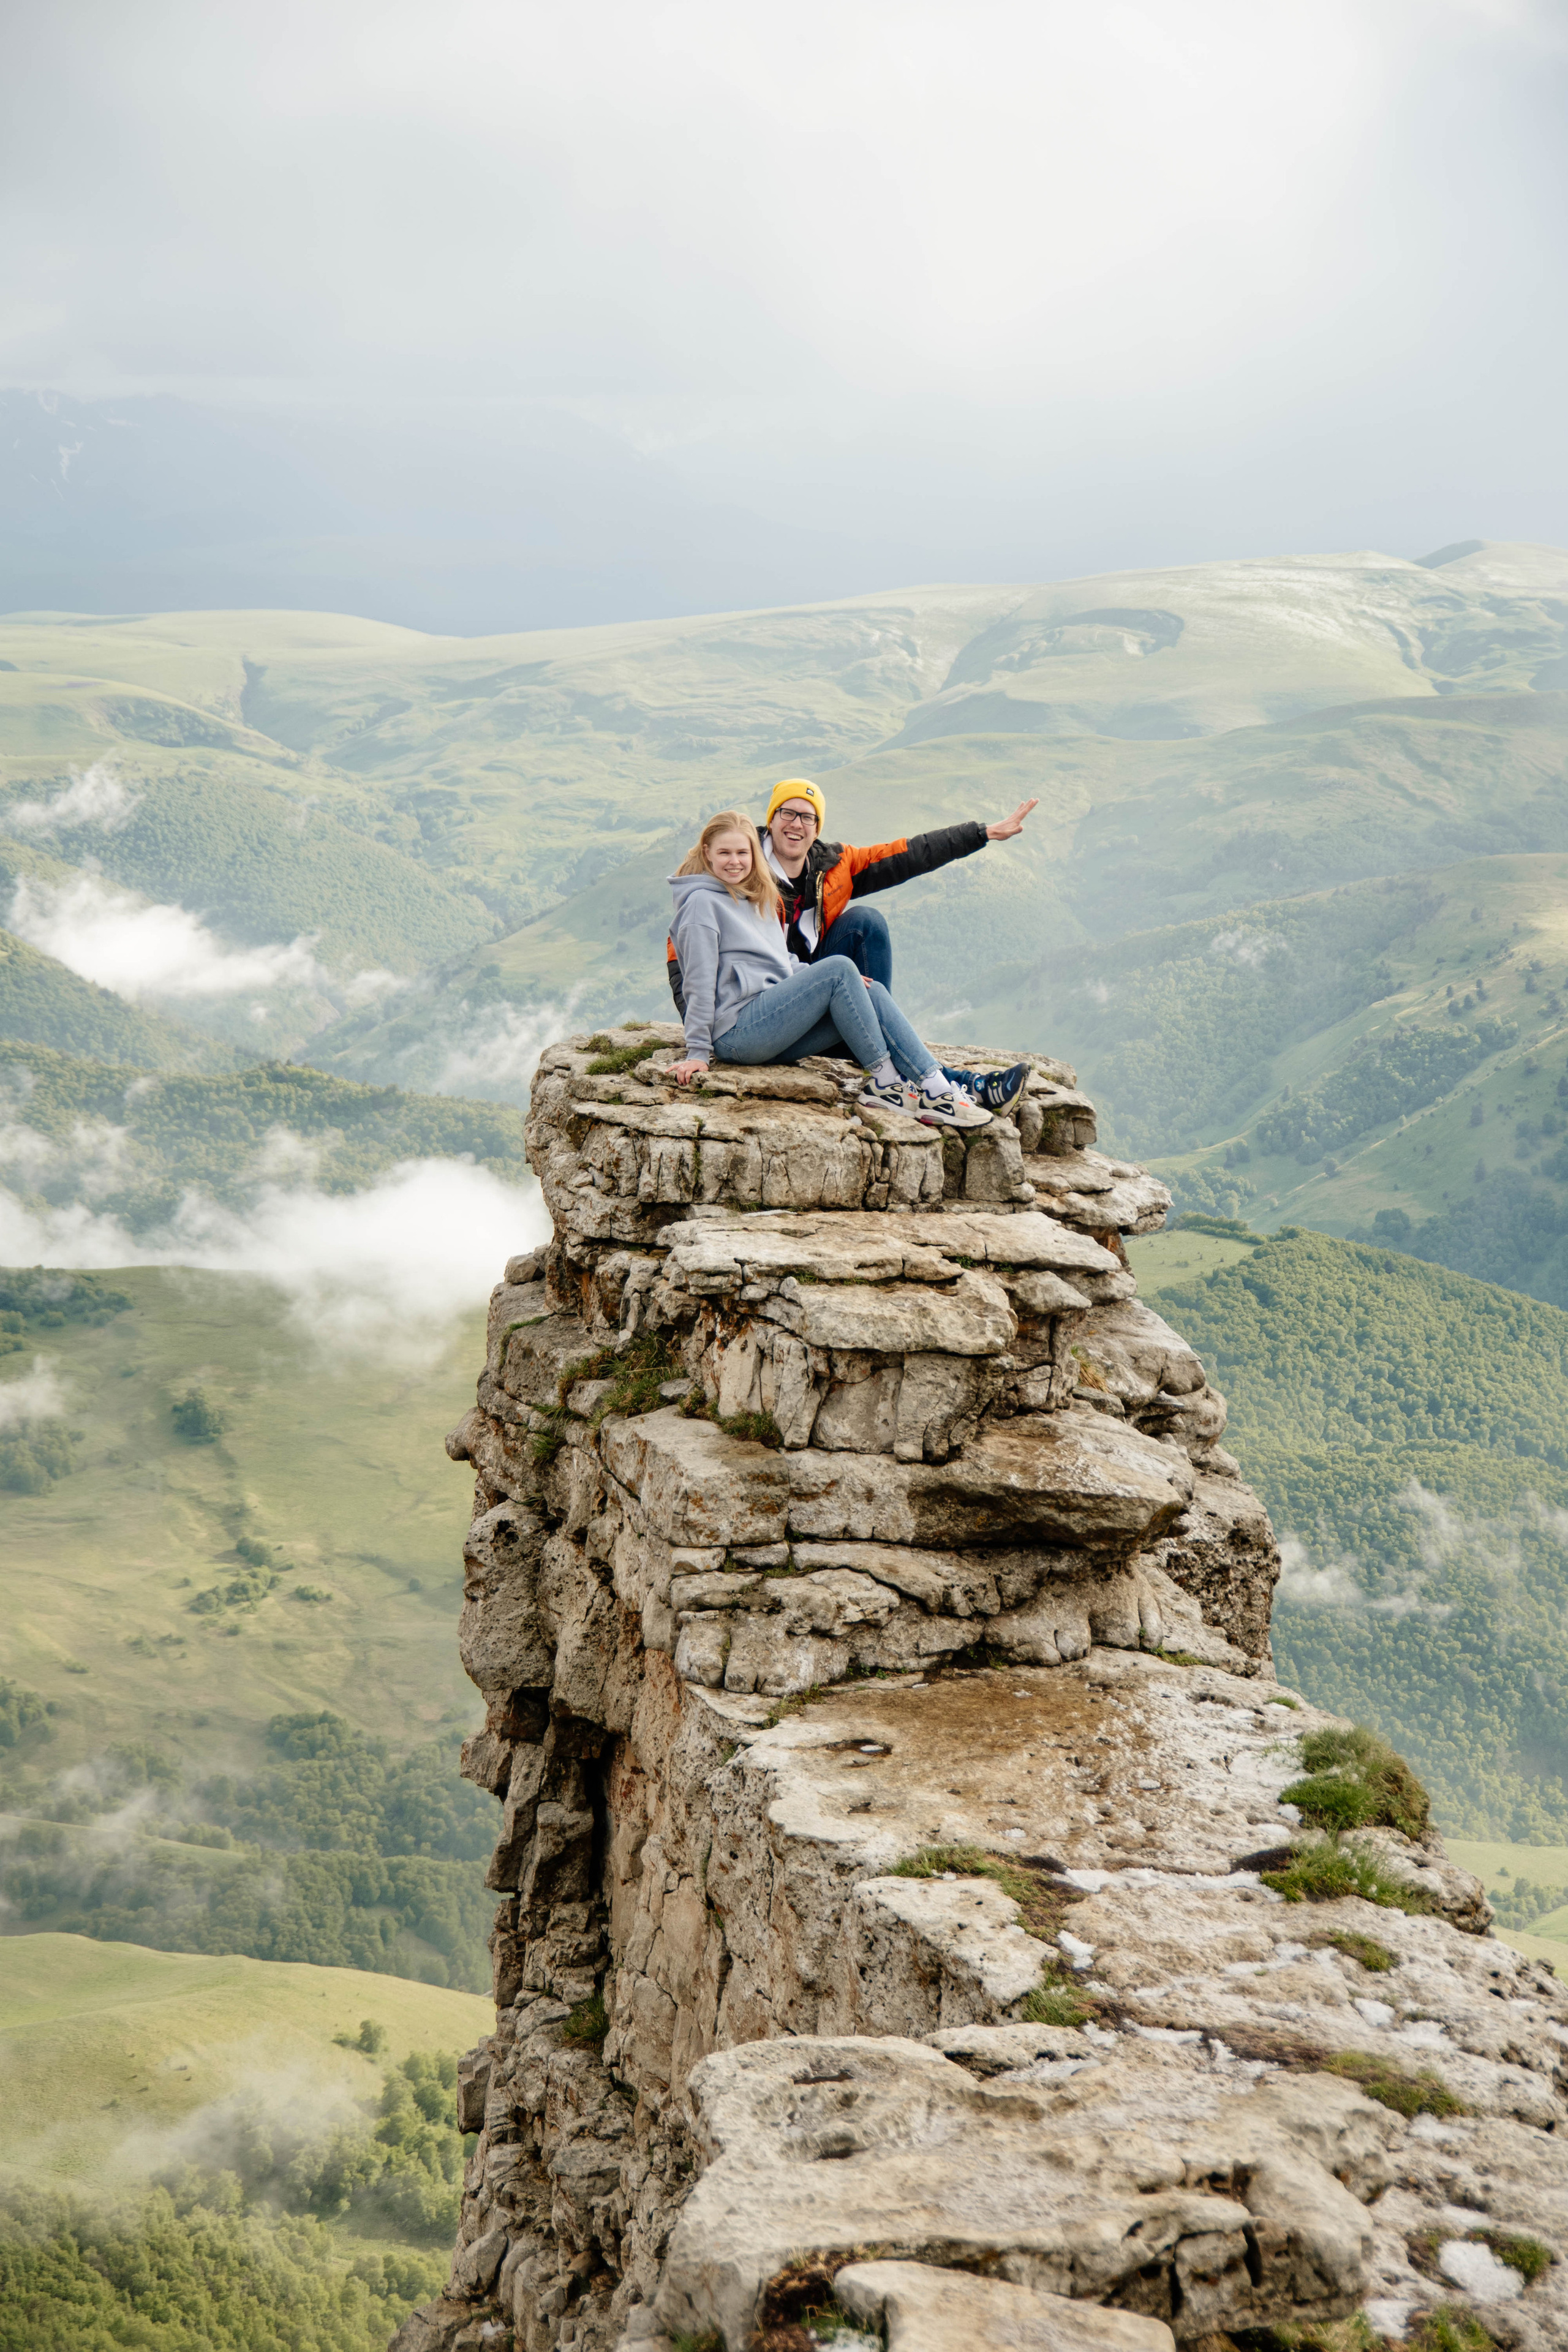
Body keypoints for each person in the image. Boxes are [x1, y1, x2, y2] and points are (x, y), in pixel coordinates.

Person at [665, 775, 1039, 1111]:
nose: (796, 824)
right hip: (751, 1019)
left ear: (817, 829)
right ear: (771, 819)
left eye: (807, 817)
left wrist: (981, 834)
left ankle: (941, 1085)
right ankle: (896, 1073)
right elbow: (690, 970)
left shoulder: (809, 872)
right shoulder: (722, 887)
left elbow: (910, 853)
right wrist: (699, 1044)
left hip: (798, 992)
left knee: (866, 935)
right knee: (843, 973)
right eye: (787, 813)